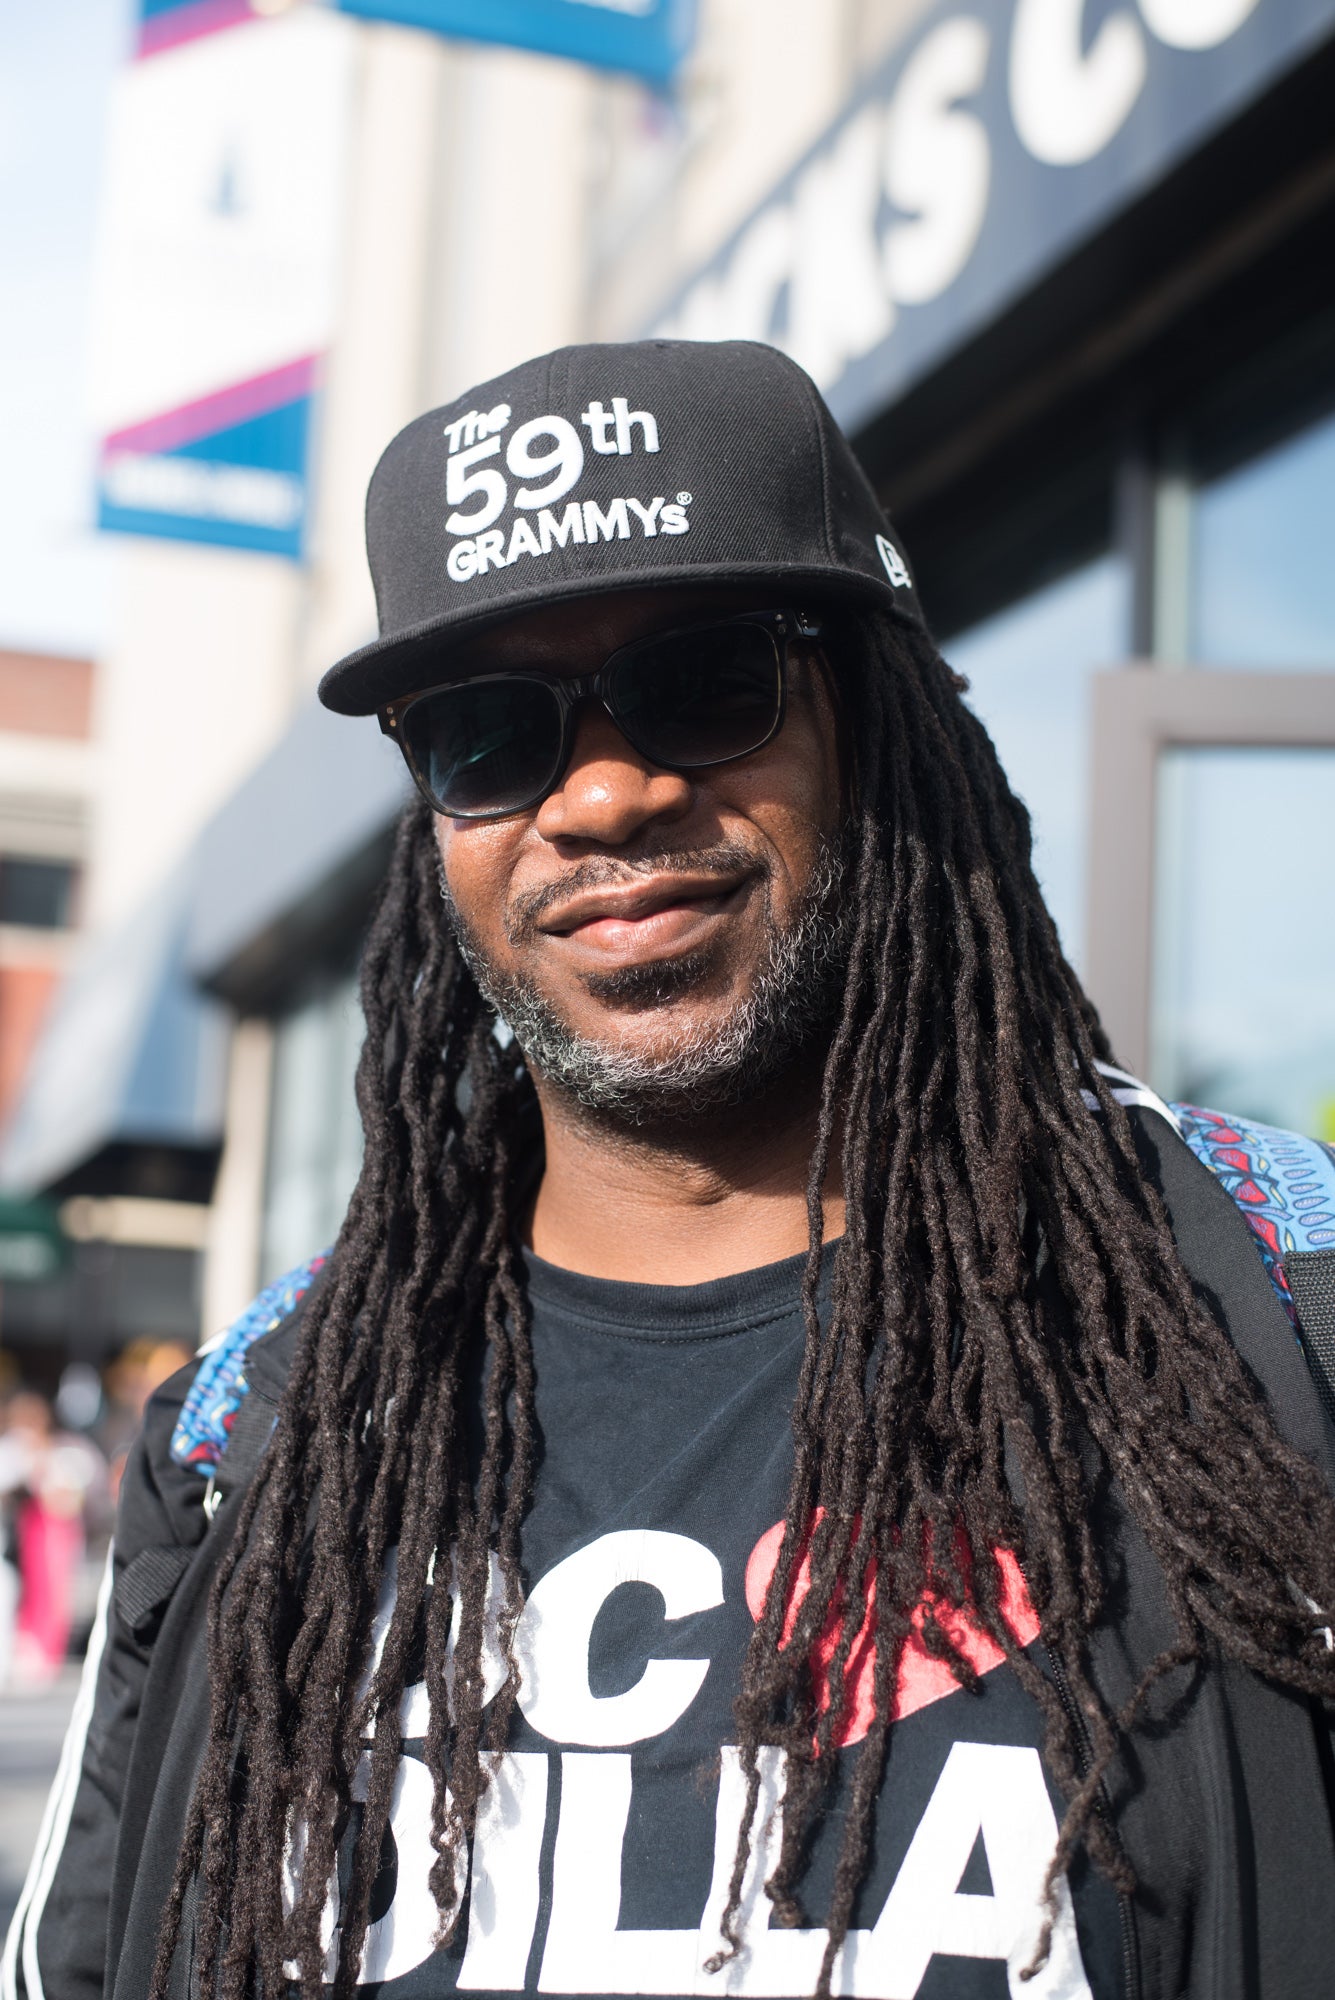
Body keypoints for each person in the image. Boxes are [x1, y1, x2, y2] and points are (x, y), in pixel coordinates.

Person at [9, 340, 1335, 2000]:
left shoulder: (1272, 1314)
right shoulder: (251, 1432)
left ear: (870, 715)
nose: (607, 792)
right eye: (490, 733)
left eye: (706, 682)